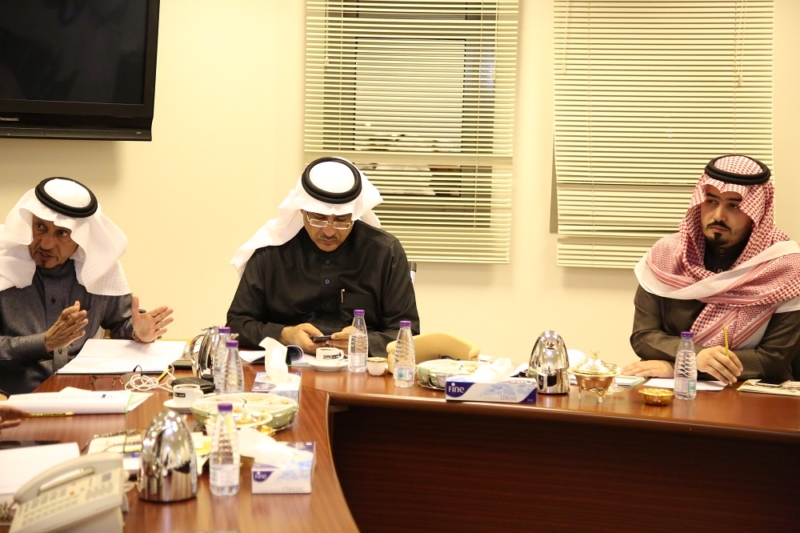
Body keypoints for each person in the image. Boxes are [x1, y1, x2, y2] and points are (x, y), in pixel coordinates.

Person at [624, 155, 800, 384]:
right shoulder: (666, 256)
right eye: (711, 201)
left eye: (734, 205)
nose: (718, 216)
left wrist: (682, 365)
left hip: (754, 394)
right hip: (670, 390)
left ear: (757, 212)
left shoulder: (786, 267)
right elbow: (644, 336)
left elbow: (773, 359)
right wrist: (696, 357)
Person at [227, 157, 420, 357]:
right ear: (302, 210)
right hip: (286, 369)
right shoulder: (270, 252)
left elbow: (408, 333)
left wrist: (364, 343)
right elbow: (237, 324)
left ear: (354, 215)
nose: (329, 232)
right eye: (318, 218)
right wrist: (285, 335)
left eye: (341, 220)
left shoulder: (384, 252)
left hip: (360, 368)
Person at [0, 177, 174, 395]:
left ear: (81, 237)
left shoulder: (97, 268)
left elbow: (121, 323)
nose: (46, 243)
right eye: (40, 227)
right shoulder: (4, 265)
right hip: (12, 399)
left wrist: (139, 332)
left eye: (62, 233)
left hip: (85, 396)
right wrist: (44, 342)